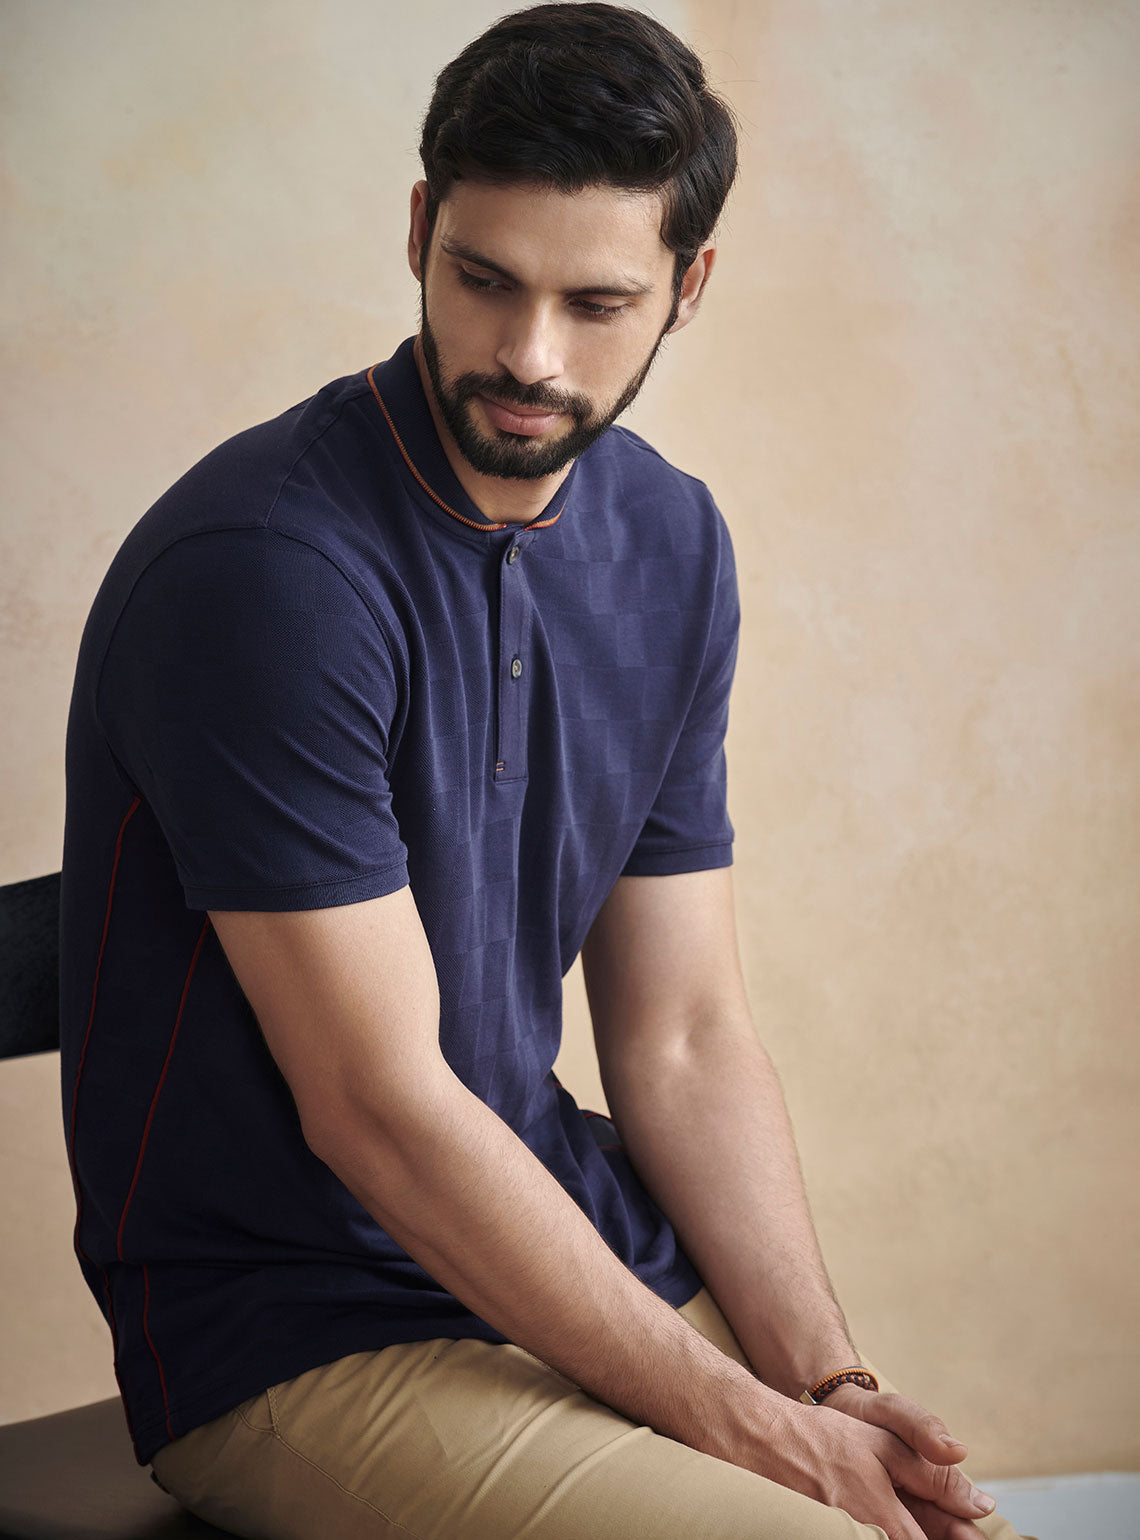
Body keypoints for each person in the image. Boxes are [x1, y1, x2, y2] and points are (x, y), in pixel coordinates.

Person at [60, 6, 1030, 1538]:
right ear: (418, 233)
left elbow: (684, 1036)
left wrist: (827, 1387)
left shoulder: (673, 542)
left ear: (688, 289)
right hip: (303, 1331)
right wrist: (764, 1442)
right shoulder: (266, 574)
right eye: (485, 279)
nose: (529, 354)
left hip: (574, 1248)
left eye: (597, 301)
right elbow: (378, 1108)